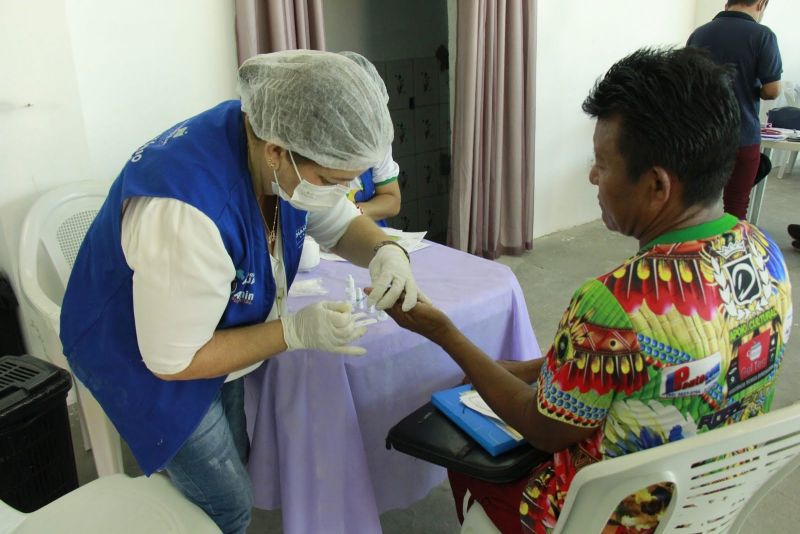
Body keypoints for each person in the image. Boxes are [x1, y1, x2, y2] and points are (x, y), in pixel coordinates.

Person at [382, 47, 793, 533]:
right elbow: (635, 364)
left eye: (603, 163)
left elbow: (542, 427)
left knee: (470, 458)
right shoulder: (764, 252)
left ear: (657, 185)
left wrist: (446, 335)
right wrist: (520, 368)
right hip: (707, 502)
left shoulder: (615, 302)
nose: (593, 176)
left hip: (609, 517)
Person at [59, 49, 428, 534]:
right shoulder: (187, 212)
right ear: (276, 150)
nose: (340, 193)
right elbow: (175, 361)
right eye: (330, 180)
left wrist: (384, 249)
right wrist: (294, 331)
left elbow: (337, 223)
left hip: (202, 326)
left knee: (234, 453)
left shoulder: (278, 150)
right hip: (136, 349)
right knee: (226, 503)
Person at [687, 0, 782, 219]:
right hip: (742, 134)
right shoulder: (763, 35)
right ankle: (730, 250)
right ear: (761, 3)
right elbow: (772, 90)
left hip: (702, 136)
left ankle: (694, 249)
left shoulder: (699, 34)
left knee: (697, 203)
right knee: (736, 205)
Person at [338, 51, 402, 226]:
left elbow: (392, 200)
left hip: (367, 231)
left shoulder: (376, 138)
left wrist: (356, 212)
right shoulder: (311, 146)